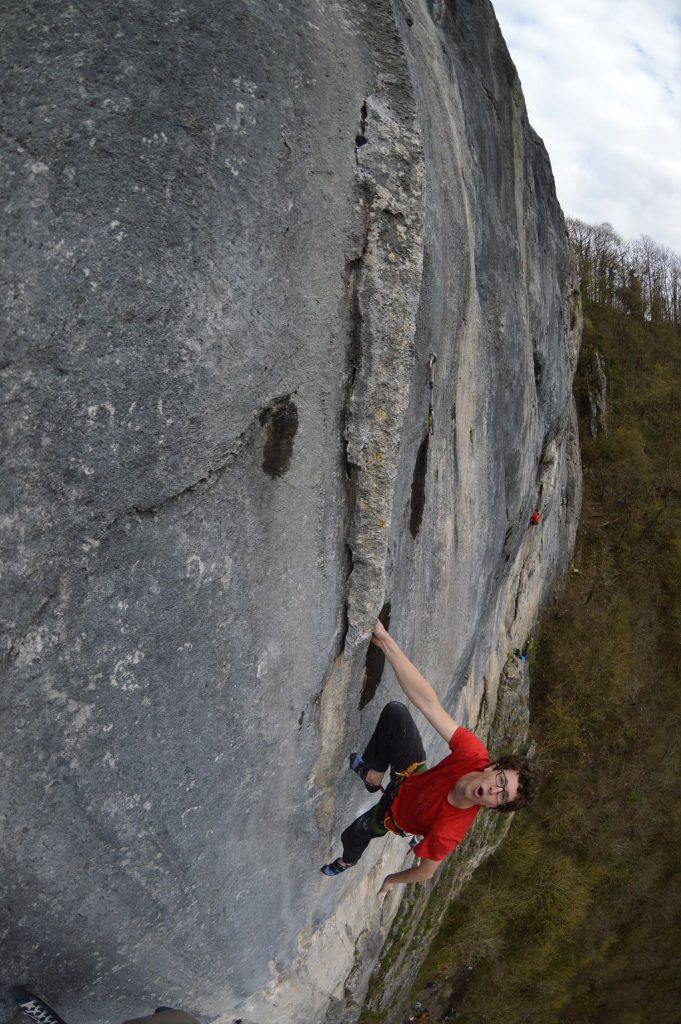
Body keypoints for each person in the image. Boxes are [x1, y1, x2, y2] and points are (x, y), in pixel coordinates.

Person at [321, 621, 540, 896]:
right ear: (494, 766)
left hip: (393, 816)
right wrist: (386, 641)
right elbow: (428, 702)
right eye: (500, 780)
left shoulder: (449, 831)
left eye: (502, 797)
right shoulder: (473, 755)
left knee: (352, 836)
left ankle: (347, 860)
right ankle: (373, 776)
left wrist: (392, 879)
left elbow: (426, 872)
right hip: (411, 775)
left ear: (497, 806)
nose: (495, 791)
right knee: (396, 714)